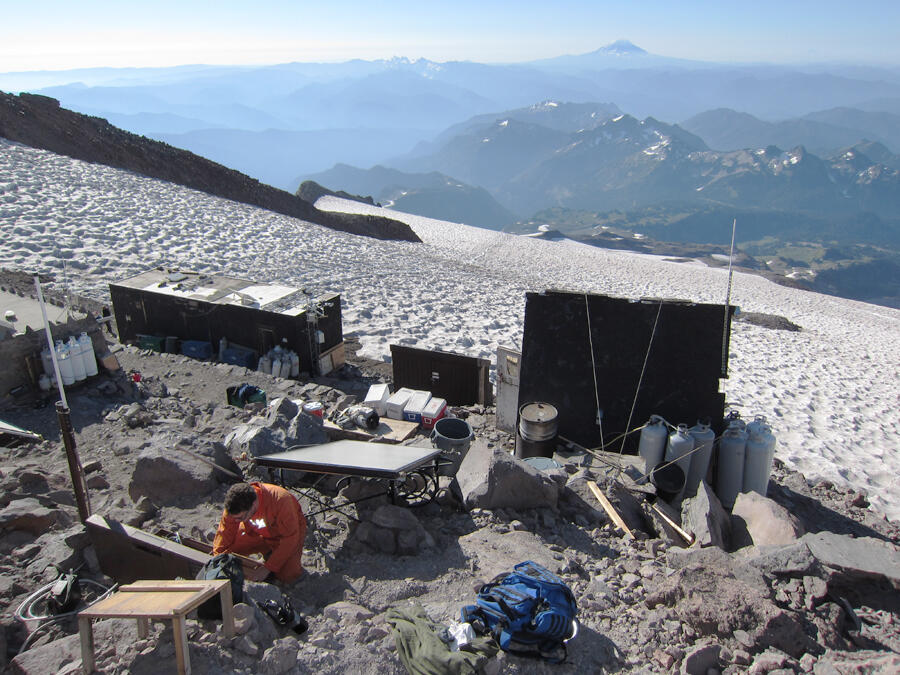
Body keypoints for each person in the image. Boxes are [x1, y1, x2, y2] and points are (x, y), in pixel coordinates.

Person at [212, 482, 307, 583]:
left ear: (253, 505)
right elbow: (225, 533)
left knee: (288, 575)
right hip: (257, 532)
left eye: (241, 518)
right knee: (229, 552)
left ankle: (273, 556)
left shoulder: (281, 501)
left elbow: (290, 538)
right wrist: (218, 557)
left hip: (286, 535)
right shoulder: (233, 506)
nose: (236, 521)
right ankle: (268, 552)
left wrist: (268, 568)